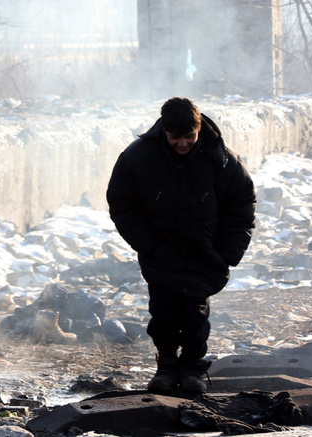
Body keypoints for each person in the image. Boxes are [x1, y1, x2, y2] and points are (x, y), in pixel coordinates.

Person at [106, 97, 255, 393]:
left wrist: (226, 254)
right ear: (165, 131)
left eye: (190, 136)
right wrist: (149, 245)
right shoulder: (138, 157)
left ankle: (192, 368)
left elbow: (241, 206)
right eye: (176, 137)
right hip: (161, 252)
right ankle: (166, 366)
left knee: (194, 315)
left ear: (198, 129)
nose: (183, 143)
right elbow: (122, 205)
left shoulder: (222, 159)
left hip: (204, 253)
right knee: (162, 312)